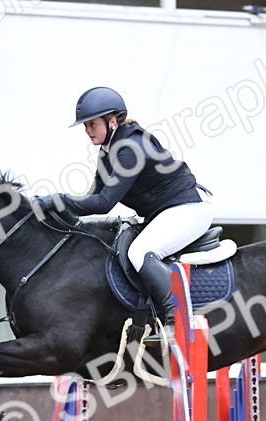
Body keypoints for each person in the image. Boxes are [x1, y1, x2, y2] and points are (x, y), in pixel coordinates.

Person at [36, 87, 212, 326]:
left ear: (112, 121)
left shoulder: (130, 148)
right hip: (164, 212)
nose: (87, 131)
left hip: (187, 209)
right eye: (85, 126)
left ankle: (177, 318)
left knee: (140, 252)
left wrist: (56, 200)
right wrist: (59, 214)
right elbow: (92, 197)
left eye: (92, 124)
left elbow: (104, 203)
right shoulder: (106, 152)